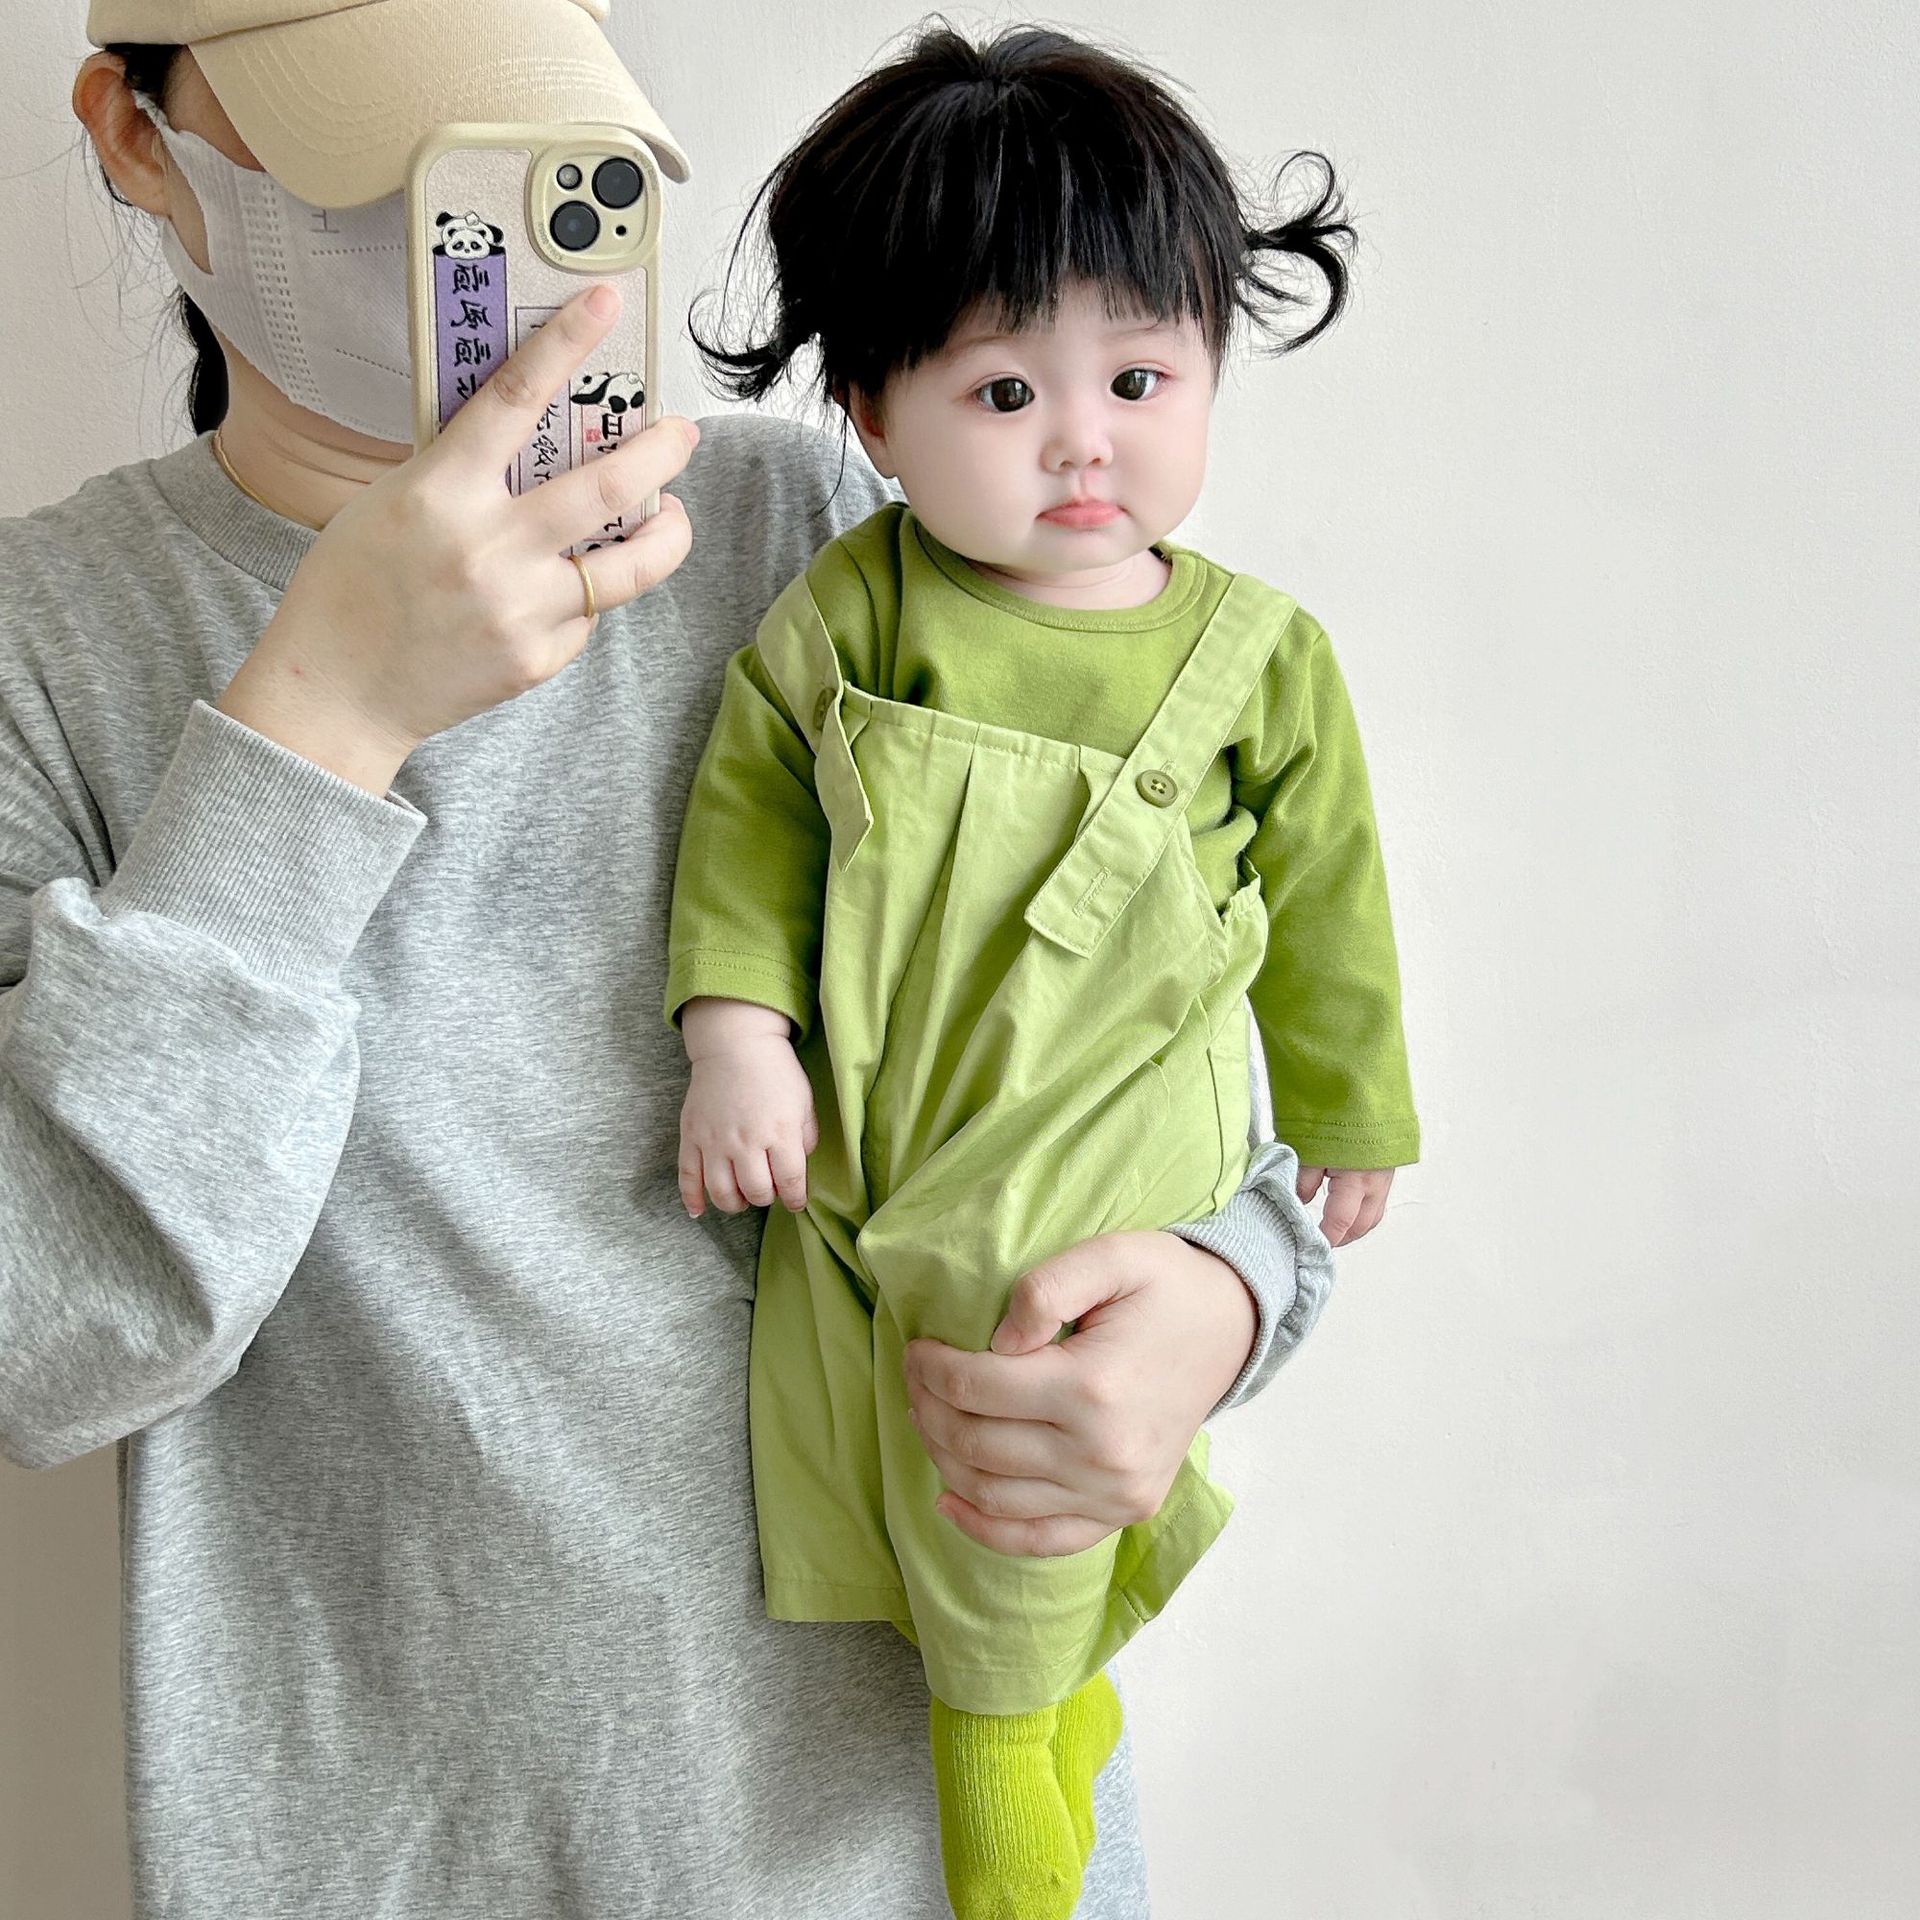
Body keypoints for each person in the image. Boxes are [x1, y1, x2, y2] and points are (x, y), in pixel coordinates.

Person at [0, 5, 1348, 1916]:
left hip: (920, 1849)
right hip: (388, 1858)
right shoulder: (42, 648)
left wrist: (1229, 1289)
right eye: (371, 142)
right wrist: (321, 722)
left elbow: (1152, 1028)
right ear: (135, 137)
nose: (449, 210)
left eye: (505, 133)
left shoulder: (823, 532)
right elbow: (46, 1344)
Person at [663, 24, 1421, 1917]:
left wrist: (1353, 1115)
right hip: (916, 1112)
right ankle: (1050, 1698)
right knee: (928, 1393)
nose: (1086, 440)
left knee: (1012, 1366)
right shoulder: (859, 610)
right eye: (1005, 391)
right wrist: (738, 1035)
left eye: (1140, 378)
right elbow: (751, 822)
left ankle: (1002, 1775)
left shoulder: (1261, 657)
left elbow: (1334, 907)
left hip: (1128, 1124)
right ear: (872, 416)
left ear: (1210, 366)